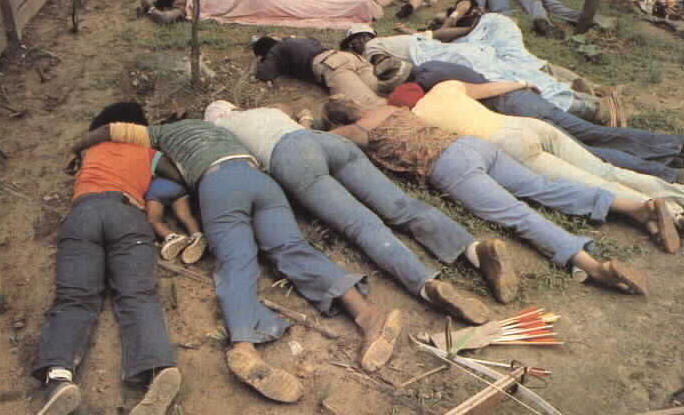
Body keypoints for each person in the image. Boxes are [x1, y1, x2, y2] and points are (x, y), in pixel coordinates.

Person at [67, 114, 402, 403]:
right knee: (292, 248)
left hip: (219, 184)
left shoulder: (161, 134)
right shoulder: (224, 131)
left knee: (236, 261)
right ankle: (368, 315)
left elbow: (111, 131)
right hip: (260, 180)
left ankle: (244, 347)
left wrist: (74, 147)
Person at [321, 94, 683, 295]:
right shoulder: (389, 108)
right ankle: (639, 207)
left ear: (341, 120)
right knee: (543, 187)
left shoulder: (356, 130)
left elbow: (322, 142)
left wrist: (312, 122)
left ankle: (593, 267)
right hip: (472, 145)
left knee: (516, 213)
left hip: (447, 165)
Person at [204, 101, 517, 318]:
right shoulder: (266, 111)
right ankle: (475, 251)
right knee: (402, 205)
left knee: (363, 225)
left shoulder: (223, 131)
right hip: (326, 143)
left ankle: (425, 284)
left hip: (292, 158)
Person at [34, 102, 182, 415]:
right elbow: (179, 177)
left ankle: (59, 378)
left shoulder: (92, 150)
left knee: (73, 298)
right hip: (128, 214)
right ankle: (155, 367)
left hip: (84, 214)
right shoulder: (149, 154)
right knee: (138, 295)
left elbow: (76, 164)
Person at [393, 80, 684, 219]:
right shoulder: (445, 87)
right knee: (606, 170)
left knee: (594, 182)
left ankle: (672, 214)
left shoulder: (417, 120)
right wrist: (522, 83)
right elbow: (492, 88)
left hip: (507, 146)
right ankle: (677, 194)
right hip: (524, 125)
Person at [412, 60, 684, 183]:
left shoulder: (428, 82)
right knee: (595, 133)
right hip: (523, 99)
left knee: (588, 152)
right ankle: (673, 148)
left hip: (510, 109)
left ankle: (666, 173)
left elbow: (484, 93)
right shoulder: (438, 64)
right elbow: (487, 83)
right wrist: (522, 84)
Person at [340, 14, 619, 126]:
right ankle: (587, 107)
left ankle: (584, 95)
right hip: (449, 58)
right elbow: (387, 68)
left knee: (501, 35)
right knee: (507, 74)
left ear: (370, 33)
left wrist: (472, 30)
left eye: (361, 37)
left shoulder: (385, 41)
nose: (360, 43)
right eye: (355, 42)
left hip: (456, 50)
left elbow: (439, 35)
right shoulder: (373, 50)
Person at [253, 34, 386, 109]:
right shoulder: (296, 40)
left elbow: (264, 73)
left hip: (333, 65)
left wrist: (260, 60)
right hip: (350, 58)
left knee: (367, 107)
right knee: (385, 93)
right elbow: (314, 40)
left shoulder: (275, 50)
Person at [146, 177, 208, 263]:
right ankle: (197, 234)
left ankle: (171, 237)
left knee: (154, 220)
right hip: (177, 186)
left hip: (156, 188)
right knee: (187, 217)